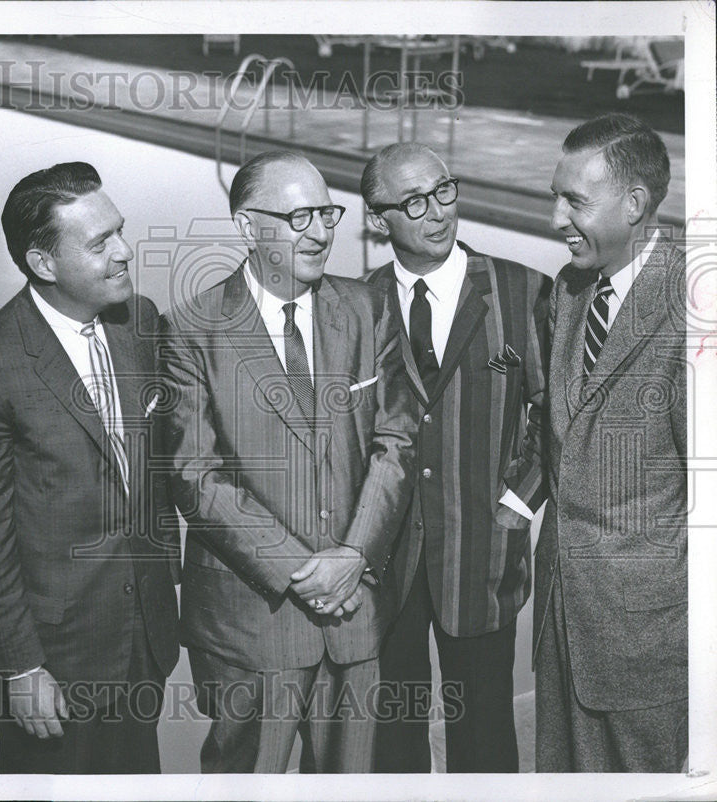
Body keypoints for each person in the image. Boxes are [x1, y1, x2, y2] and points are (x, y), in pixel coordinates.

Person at [161, 150, 418, 773]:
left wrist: (354, 555)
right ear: (249, 227)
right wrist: (306, 570)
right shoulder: (192, 329)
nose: (323, 231)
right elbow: (195, 477)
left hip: (355, 617)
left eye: (327, 213)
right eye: (300, 216)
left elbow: (398, 438)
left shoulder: (366, 308)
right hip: (253, 627)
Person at [0, 163, 180, 774]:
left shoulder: (140, 322)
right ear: (43, 264)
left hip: (143, 636)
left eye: (120, 231)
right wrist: (20, 666)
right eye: (100, 243)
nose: (124, 252)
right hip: (54, 661)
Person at [361, 143, 551, 773]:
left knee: (486, 737)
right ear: (375, 219)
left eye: (444, 190)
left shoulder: (524, 293)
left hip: (484, 558)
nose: (438, 212)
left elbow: (557, 418)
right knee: (392, 739)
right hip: (384, 567)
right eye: (414, 201)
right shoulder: (355, 307)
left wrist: (515, 507)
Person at [535, 113, 686, 772]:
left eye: (575, 201)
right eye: (555, 196)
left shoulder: (694, 306)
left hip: (649, 641)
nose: (554, 218)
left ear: (634, 204)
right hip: (560, 619)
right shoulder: (570, 290)